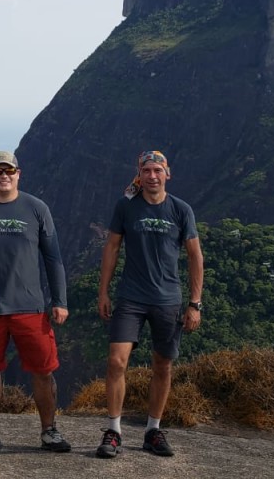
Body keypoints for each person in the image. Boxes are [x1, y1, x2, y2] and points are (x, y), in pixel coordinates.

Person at [0, 150, 71, 454]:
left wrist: (59, 300)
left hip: (31, 308)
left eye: (9, 171)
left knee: (43, 370)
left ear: (19, 173)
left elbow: (53, 257)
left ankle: (49, 430)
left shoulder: (37, 208)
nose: (4, 176)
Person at [96, 150, 204, 459]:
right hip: (130, 297)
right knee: (116, 361)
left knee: (162, 365)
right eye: (147, 170)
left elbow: (196, 257)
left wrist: (195, 304)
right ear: (139, 174)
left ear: (167, 173)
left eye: (158, 170)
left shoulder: (181, 210)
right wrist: (103, 292)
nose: (152, 175)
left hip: (167, 300)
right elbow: (112, 247)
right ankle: (113, 430)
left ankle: (153, 431)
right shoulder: (126, 206)